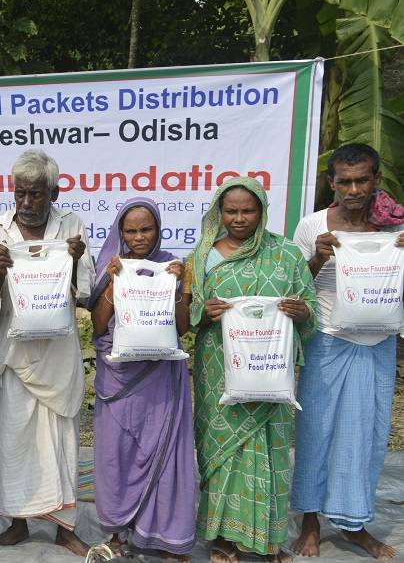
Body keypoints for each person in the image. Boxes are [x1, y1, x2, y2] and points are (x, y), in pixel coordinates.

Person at [183, 177, 315, 563]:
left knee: (269, 452)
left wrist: (300, 311)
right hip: (218, 367)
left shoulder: (286, 254)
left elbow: (309, 307)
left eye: (248, 210)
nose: (239, 218)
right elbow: (189, 317)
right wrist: (204, 314)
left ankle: (267, 540)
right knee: (221, 451)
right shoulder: (203, 254)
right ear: (218, 213)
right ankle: (222, 537)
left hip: (268, 368)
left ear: (262, 211)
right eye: (231, 210)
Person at [0, 150, 92, 557]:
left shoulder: (71, 226)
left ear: (53, 192)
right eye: (20, 193)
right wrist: (1, 270)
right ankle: (18, 522)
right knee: (15, 437)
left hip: (59, 354)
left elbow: (86, 293)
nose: (26, 203)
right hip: (15, 353)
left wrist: (74, 262)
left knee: (63, 439)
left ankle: (64, 527)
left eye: (35, 195)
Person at [290, 144, 404, 560]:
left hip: (377, 343)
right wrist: (317, 259)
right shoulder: (312, 226)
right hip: (327, 341)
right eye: (345, 181)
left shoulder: (395, 226)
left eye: (362, 180)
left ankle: (354, 522)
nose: (354, 189)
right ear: (331, 182)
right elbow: (294, 291)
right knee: (316, 431)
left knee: (366, 434)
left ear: (375, 180)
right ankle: (310, 522)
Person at [89, 197, 196, 560]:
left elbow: (183, 327)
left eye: (146, 229)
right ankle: (119, 531)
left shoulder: (172, 267)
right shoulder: (109, 267)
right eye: (131, 230)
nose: (139, 237)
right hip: (119, 379)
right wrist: (112, 286)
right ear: (121, 232)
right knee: (116, 453)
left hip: (160, 377)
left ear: (158, 229)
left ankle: (163, 534)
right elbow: (99, 326)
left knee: (163, 453)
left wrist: (180, 289)